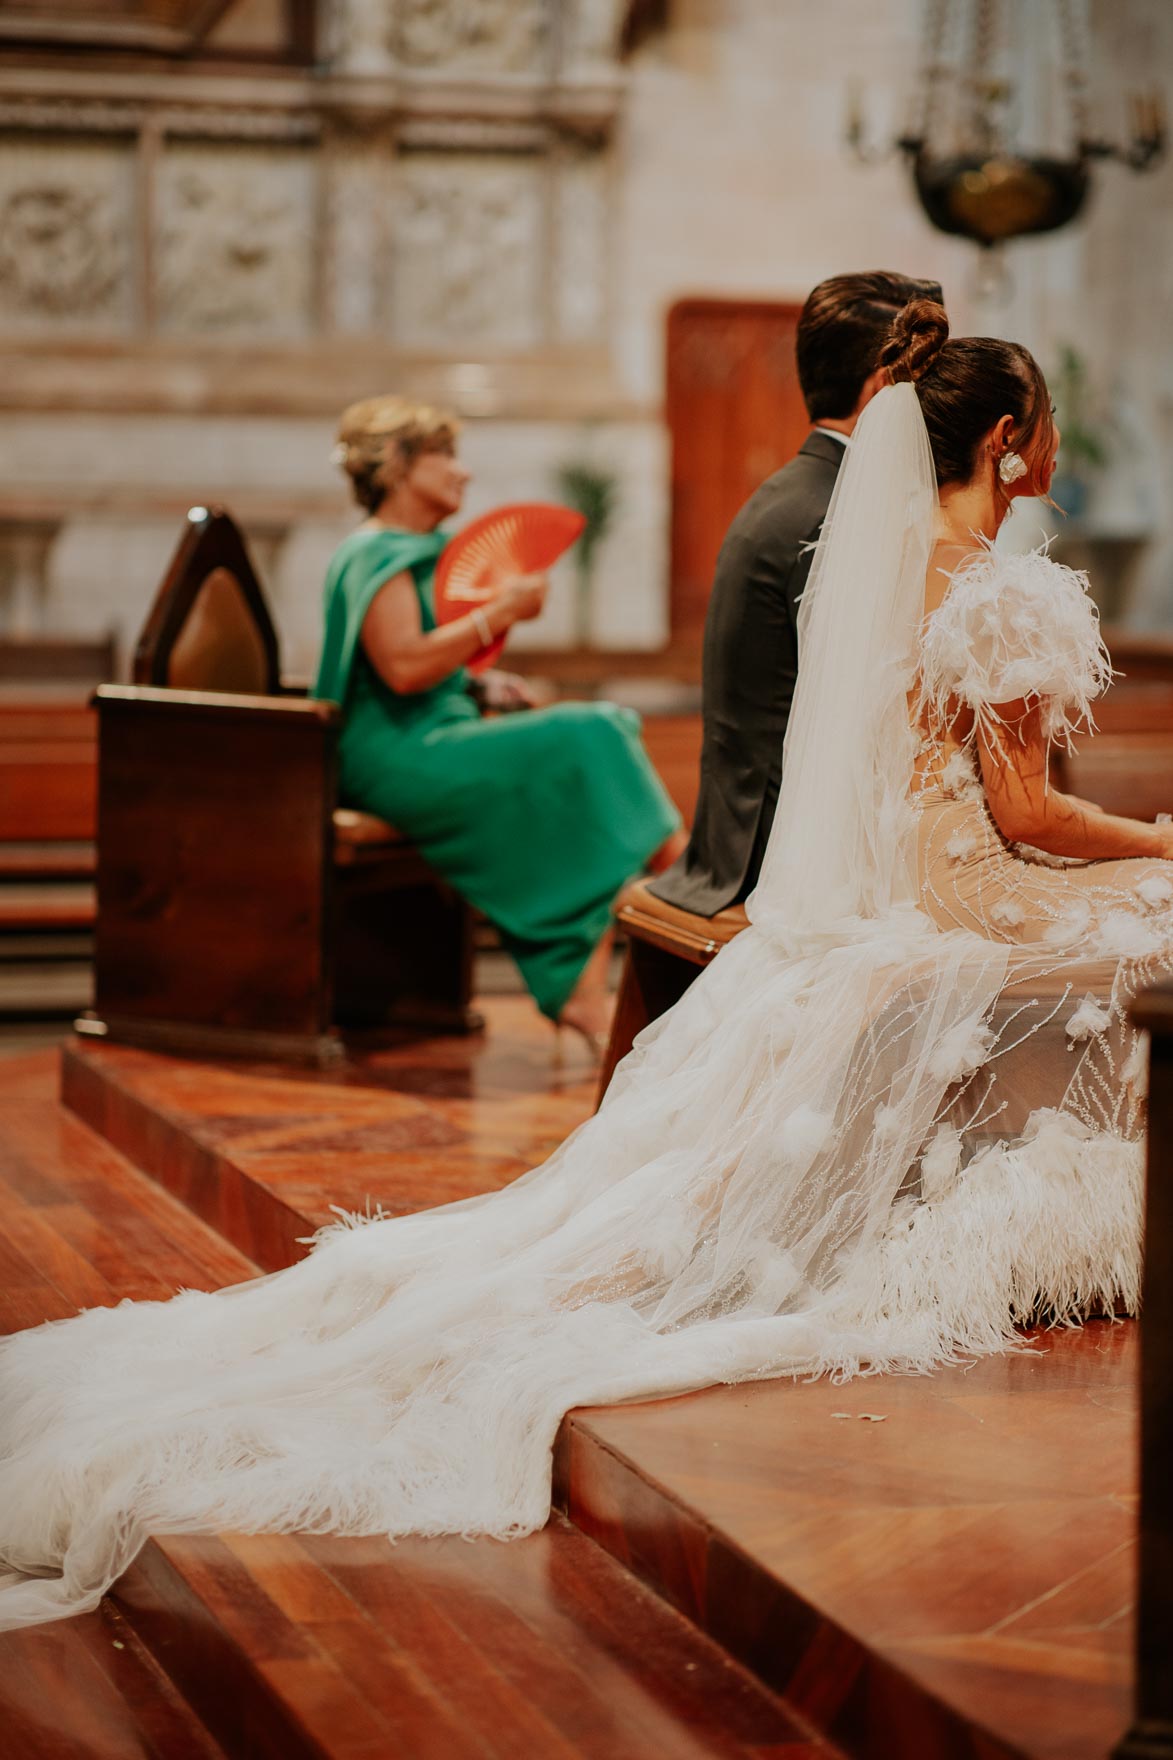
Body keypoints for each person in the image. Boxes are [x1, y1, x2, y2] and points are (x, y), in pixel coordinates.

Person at [4, 302, 1171, 1633]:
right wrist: (1153, 837)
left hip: (905, 882)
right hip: (976, 886)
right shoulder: (1000, 589)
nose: (1063, 445)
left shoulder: (883, 557)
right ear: (1012, 442)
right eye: (1052, 427)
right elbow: (1025, 819)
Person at [313, 395, 685, 1048]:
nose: (462, 472)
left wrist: (481, 684)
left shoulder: (410, 549)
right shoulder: (372, 553)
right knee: (591, 731)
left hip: (434, 734)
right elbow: (400, 668)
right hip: (394, 754)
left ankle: (584, 982)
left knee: (611, 729)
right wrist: (499, 613)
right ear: (398, 466)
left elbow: (421, 668)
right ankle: (683, 880)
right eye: (444, 455)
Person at [653, 269, 943, 916]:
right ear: (883, 389)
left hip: (746, 828)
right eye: (933, 379)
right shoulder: (831, 513)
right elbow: (863, 708)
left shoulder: (802, 488)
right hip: (776, 851)